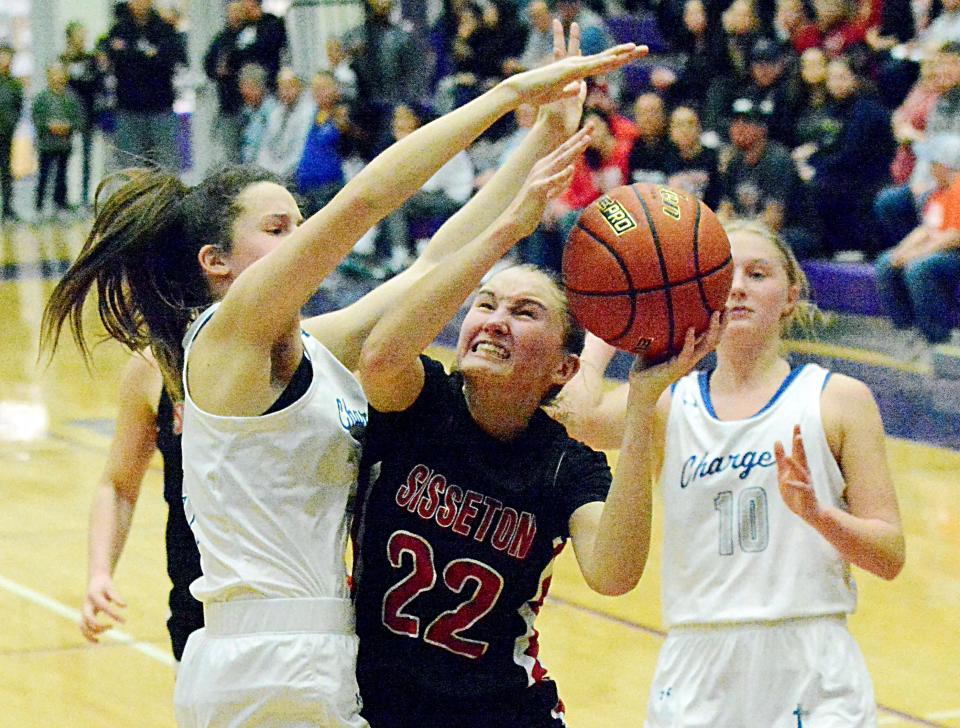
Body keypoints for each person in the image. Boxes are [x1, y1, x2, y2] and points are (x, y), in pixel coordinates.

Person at [41, 33, 645, 727]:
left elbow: (433, 266)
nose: (301, 237)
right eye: (279, 228)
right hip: (263, 657)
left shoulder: (309, 348)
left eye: (299, 222)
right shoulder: (222, 342)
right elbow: (362, 203)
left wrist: (540, 140)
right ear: (216, 262)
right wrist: (508, 93)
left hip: (315, 651)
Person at [353, 135, 723, 728]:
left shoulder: (565, 465)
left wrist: (643, 404)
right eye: (486, 305)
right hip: (373, 705)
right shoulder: (421, 401)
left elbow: (613, 573)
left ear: (563, 367)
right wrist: (502, 232)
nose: (495, 321)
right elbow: (379, 356)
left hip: (505, 710)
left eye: (525, 313)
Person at [553, 219, 905, 727]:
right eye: (725, 277)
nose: (738, 286)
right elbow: (575, 417)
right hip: (697, 657)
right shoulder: (668, 400)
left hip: (809, 658)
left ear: (791, 294)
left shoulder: (838, 400)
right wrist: (609, 320)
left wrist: (818, 515)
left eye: (758, 274)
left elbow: (889, 554)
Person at [79, 352, 203, 663]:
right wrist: (100, 572)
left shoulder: (285, 344)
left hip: (289, 608)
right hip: (195, 605)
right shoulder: (152, 366)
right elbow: (118, 485)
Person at [875, 134, 960, 347]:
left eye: (933, 163)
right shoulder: (939, 192)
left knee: (919, 268)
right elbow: (926, 229)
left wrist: (914, 255)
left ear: (945, 165)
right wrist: (901, 252)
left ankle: (937, 337)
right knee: (886, 262)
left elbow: (954, 237)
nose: (930, 169)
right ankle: (906, 328)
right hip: (942, 248)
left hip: (955, 250)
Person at [32, 63, 84, 219]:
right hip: (46, 145)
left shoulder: (72, 98)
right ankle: (39, 206)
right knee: (44, 175)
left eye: (61, 74)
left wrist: (68, 127)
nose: (58, 77)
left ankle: (60, 205)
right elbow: (36, 118)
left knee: (62, 176)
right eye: (54, 74)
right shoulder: (42, 98)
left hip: (64, 145)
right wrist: (49, 127)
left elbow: (79, 119)